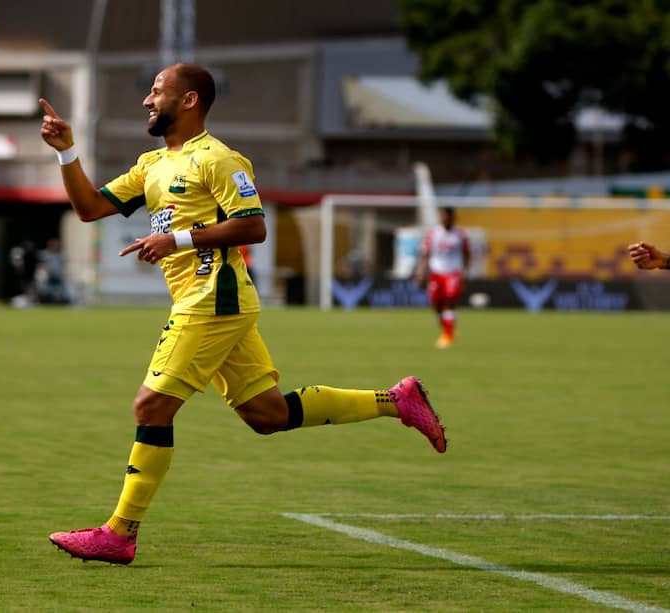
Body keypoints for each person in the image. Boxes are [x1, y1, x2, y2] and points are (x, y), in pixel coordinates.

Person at [39, 63, 447, 566]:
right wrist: (67, 152)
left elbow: (254, 227)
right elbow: (88, 209)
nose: (147, 100)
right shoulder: (151, 166)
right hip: (208, 303)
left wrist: (177, 238)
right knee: (266, 415)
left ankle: (120, 533)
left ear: (188, 101)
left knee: (151, 408)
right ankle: (397, 401)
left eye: (157, 91)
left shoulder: (220, 159)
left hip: (213, 300)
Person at [415, 207, 471, 349]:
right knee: (436, 304)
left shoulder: (460, 235)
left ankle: (448, 335)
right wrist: (421, 272)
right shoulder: (433, 233)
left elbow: (467, 254)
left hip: (453, 273)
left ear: (453, 218)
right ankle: (448, 331)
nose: (445, 219)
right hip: (436, 272)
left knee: (449, 301)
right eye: (443, 217)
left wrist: (465, 273)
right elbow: (426, 254)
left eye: (448, 217)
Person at [36, 238, 70, 305]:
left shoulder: (61, 255)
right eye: (54, 245)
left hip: (59, 277)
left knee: (63, 293)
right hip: (48, 278)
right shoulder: (45, 254)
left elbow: (65, 264)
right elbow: (40, 264)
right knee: (46, 293)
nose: (56, 247)